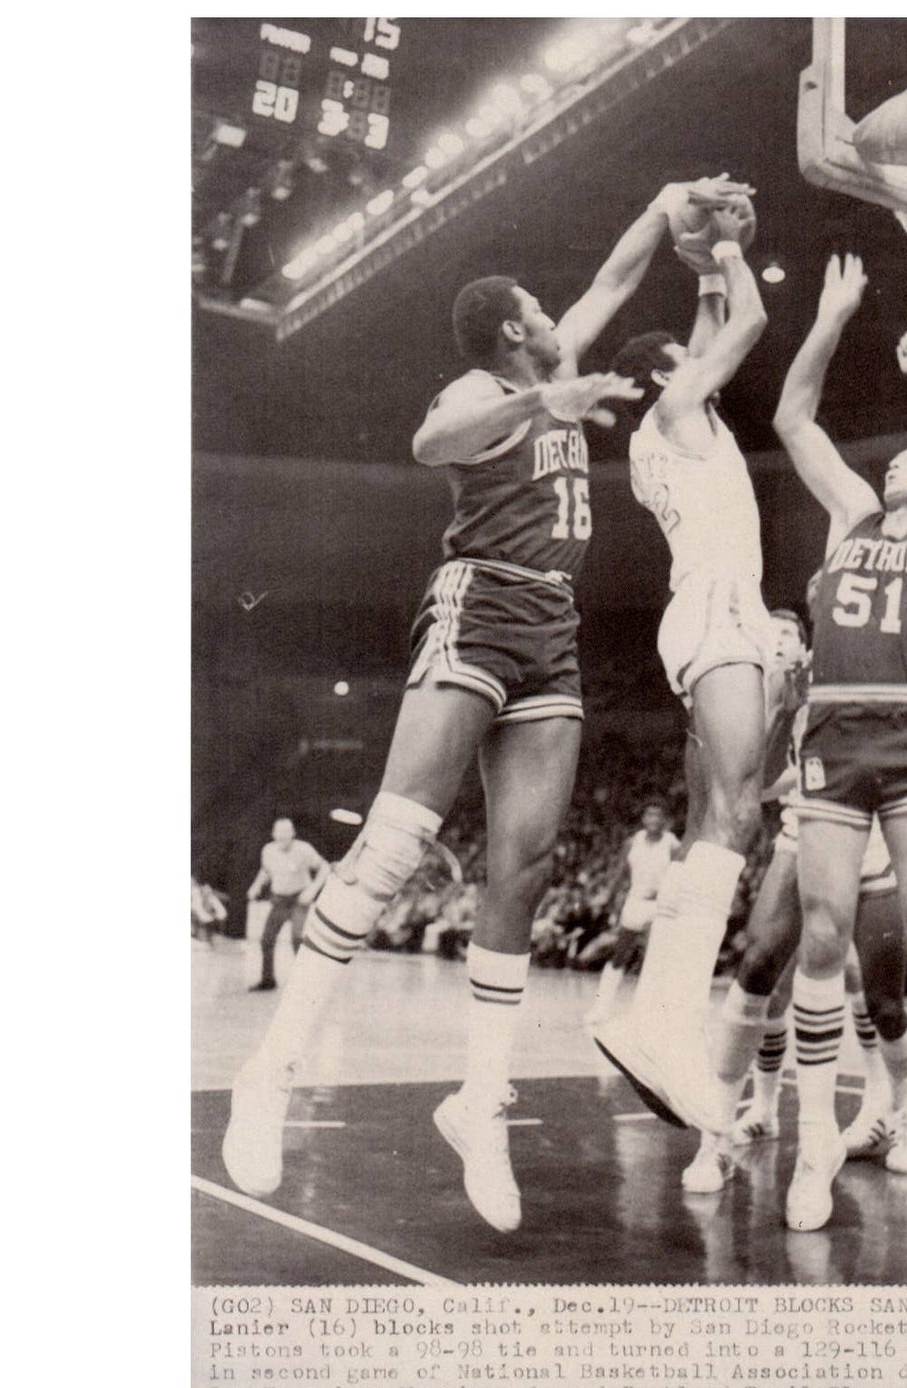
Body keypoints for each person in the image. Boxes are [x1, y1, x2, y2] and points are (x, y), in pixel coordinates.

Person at [223, 175, 751, 1234]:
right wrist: (535, 405)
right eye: (540, 313)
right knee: (393, 844)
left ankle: (480, 1101)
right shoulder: (477, 389)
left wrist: (665, 204)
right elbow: (430, 447)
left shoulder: (559, 357)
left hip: (552, 624)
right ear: (513, 331)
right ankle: (270, 1068)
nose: (560, 317)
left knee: (524, 865)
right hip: (480, 603)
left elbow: (616, 275)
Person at [772, 254, 907, 1233]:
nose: (902, 458)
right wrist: (828, 317)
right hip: (832, 727)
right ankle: (813, 1141)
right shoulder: (848, 514)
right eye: (900, 455)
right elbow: (792, 419)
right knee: (823, 936)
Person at [594, 193, 772, 1132]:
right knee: (736, 811)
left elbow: (707, 330)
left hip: (701, 611)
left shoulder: (658, 430)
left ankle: (655, 1023)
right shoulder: (673, 405)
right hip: (718, 607)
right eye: (683, 357)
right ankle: (664, 1026)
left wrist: (701, 268)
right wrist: (733, 253)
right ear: (666, 372)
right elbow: (748, 323)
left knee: (714, 821)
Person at [682, 610, 907, 1192]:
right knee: (758, 963)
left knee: (885, 1002)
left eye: (786, 633)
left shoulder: (862, 668)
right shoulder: (776, 693)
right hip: (804, 829)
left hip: (869, 836)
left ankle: (903, 1118)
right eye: (770, 635)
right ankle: (715, 1136)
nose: (776, 640)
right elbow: (762, 784)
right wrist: (778, 707)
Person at [584, 802, 678, 1027]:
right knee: (620, 955)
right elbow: (620, 873)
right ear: (643, 818)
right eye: (649, 814)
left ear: (665, 820)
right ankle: (600, 1008)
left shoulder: (672, 844)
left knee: (657, 958)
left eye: (658, 815)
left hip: (661, 906)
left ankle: (652, 1014)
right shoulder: (632, 842)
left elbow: (679, 877)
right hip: (636, 901)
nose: (653, 819)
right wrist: (609, 898)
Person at [244, 819, 328, 991]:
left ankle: (306, 982)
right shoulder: (268, 850)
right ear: (273, 834)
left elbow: (325, 867)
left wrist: (312, 890)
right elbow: (266, 870)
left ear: (293, 833)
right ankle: (268, 980)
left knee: (297, 938)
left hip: (299, 899)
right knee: (266, 939)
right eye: (279, 832)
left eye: (286, 832)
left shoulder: (303, 849)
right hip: (279, 900)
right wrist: (256, 886)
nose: (282, 836)